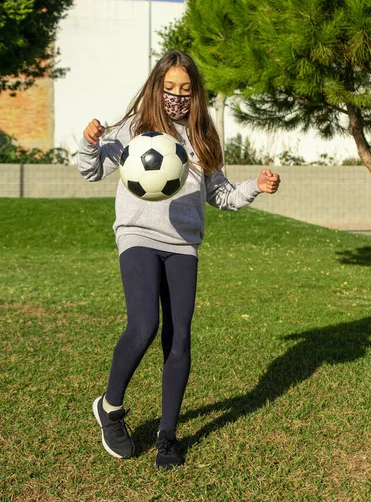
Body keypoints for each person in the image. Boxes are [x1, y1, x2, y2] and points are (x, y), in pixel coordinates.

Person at [77, 50, 280, 470]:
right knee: (144, 324)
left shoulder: (203, 135)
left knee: (180, 336)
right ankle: (110, 406)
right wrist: (89, 141)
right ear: (157, 86)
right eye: (170, 89)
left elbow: (220, 194)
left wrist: (256, 186)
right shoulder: (135, 129)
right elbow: (91, 170)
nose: (177, 97)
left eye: (185, 90)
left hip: (183, 244)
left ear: (196, 92)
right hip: (137, 235)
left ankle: (167, 434)